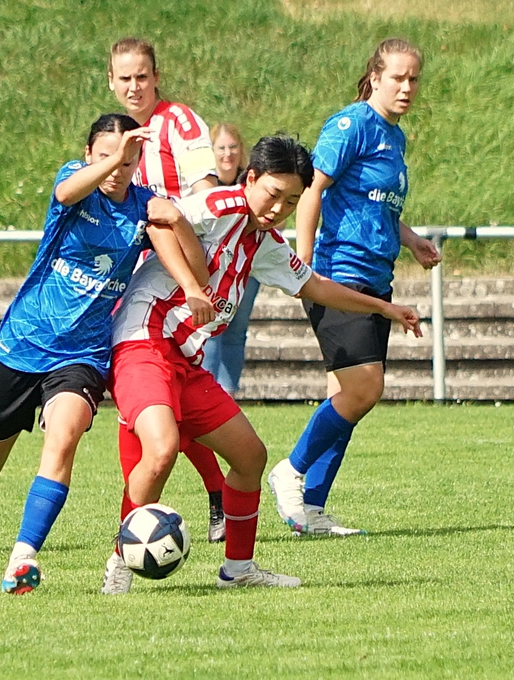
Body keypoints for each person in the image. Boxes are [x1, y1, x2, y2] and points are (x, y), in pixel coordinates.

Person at [100, 135, 423, 594]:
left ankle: (239, 570)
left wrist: (384, 308)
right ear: (250, 178)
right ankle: (120, 561)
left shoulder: (264, 243)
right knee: (162, 450)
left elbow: (314, 286)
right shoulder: (219, 204)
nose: (278, 208)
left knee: (250, 456)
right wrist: (191, 285)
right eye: (273, 194)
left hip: (185, 360)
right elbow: (159, 218)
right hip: (143, 340)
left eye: (291, 201)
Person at [0, 113, 209, 595]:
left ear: (138, 163)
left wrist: (182, 245)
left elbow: (191, 262)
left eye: (127, 161)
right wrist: (112, 158)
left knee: (62, 440)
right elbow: (66, 193)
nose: (116, 169)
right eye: (105, 157)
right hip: (23, 343)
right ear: (88, 156)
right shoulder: (74, 182)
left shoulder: (143, 206)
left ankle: (23, 557)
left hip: (81, 355)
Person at [267, 38, 441, 537]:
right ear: (376, 77)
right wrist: (303, 264)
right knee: (365, 388)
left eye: (413, 79)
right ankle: (291, 470)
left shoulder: (394, 137)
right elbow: (311, 193)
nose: (406, 87)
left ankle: (312, 510)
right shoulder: (351, 125)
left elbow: (375, 205)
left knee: (347, 397)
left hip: (376, 276)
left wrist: (411, 240)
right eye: (398, 78)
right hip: (340, 273)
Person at [108, 37, 228, 543]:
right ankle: (149, 514)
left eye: (143, 76)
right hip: (133, 283)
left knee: (163, 398)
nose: (134, 86)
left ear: (157, 77)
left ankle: (206, 496)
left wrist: (195, 260)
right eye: (125, 78)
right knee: (145, 401)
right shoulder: (114, 134)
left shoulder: (178, 123)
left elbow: (206, 194)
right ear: (111, 81)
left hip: (178, 282)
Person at [201, 122, 259, 395]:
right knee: (212, 326)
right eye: (221, 148)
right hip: (214, 267)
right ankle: (208, 391)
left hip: (249, 267)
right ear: (211, 151)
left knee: (237, 330)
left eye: (233, 147)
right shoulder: (204, 185)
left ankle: (229, 393)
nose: (228, 153)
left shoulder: (252, 181)